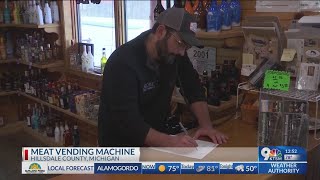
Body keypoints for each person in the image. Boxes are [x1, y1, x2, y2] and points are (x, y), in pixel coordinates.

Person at [98, 8, 228, 147]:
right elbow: (128, 122)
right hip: (120, 148)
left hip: (154, 141)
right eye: (180, 44)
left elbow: (193, 87)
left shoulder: (175, 54)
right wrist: (172, 141)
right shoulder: (123, 62)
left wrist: (206, 126)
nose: (182, 52)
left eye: (187, 47)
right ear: (161, 32)